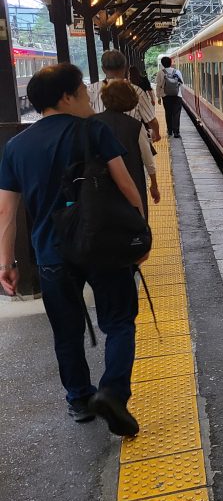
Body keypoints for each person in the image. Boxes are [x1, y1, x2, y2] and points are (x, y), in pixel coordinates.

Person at [0, 64, 146, 436]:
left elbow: (7, 211)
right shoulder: (93, 130)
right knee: (118, 322)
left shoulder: (15, 147)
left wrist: (7, 262)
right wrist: (140, 234)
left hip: (51, 254)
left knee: (66, 332)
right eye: (82, 91)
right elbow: (127, 185)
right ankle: (112, 391)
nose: (88, 97)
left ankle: (80, 400)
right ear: (65, 97)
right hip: (103, 246)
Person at [96, 80, 160, 219]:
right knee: (135, 222)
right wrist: (154, 185)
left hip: (100, 185)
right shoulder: (135, 126)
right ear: (131, 100)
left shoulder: (92, 123)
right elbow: (147, 159)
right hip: (133, 180)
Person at [87, 49, 160, 143]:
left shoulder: (91, 89)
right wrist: (156, 134)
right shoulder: (136, 90)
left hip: (101, 143)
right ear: (125, 68)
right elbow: (151, 120)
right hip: (130, 141)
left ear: (103, 69)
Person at [155, 55, 184, 139]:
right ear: (171, 63)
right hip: (177, 96)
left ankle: (170, 130)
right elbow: (181, 83)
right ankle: (176, 132)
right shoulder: (177, 71)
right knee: (176, 114)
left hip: (166, 96)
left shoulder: (160, 72)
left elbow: (158, 86)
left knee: (168, 113)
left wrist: (159, 97)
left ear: (162, 64)